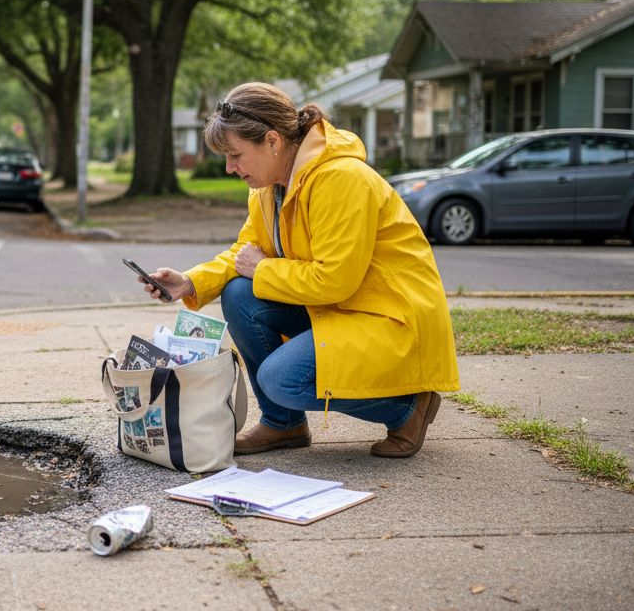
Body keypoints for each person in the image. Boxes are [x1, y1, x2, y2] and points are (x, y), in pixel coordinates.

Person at [140, 82, 458, 458]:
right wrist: (190, 281)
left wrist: (263, 269)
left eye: (235, 155)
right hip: (343, 308)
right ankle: (283, 425)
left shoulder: (342, 179)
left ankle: (408, 408)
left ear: (272, 141)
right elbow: (246, 254)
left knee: (280, 379)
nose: (229, 168)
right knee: (240, 293)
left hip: (389, 317)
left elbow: (333, 281)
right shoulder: (267, 187)